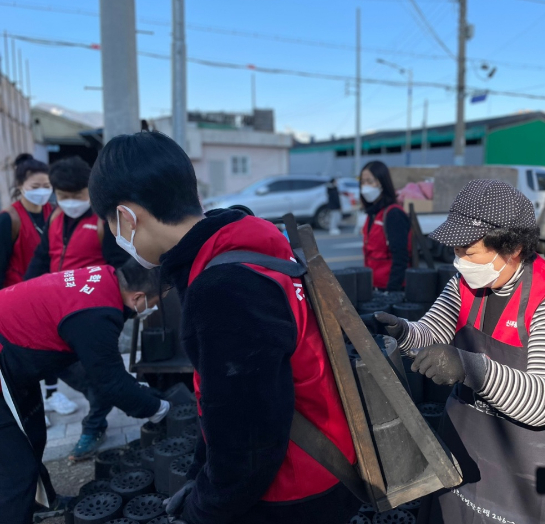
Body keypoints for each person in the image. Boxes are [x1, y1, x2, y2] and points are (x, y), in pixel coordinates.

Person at [89, 131, 359, 524]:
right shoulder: (246, 245)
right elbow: (228, 403)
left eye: (112, 223)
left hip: (294, 488)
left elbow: (250, 439)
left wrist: (205, 508)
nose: (115, 236)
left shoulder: (224, 287)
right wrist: (200, 475)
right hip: (323, 457)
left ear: (128, 216)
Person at [374, 180, 545, 524]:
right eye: (456, 252)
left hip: (541, 459)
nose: (460, 262)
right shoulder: (466, 283)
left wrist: (471, 368)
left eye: (469, 252)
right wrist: (405, 332)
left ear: (512, 249)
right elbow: (433, 332)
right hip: (474, 444)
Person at [0, 258, 171, 524]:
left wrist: (138, 390)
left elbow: (103, 369)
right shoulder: (97, 314)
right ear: (138, 297)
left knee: (33, 436)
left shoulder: (104, 277)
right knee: (15, 469)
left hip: (15, 354)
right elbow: (110, 382)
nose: (156, 306)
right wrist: (159, 410)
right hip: (3, 359)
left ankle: (41, 504)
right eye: (158, 300)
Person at [25, 156, 131, 460]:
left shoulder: (104, 221)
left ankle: (94, 425)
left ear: (90, 189)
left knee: (101, 373)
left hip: (91, 315)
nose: (71, 202)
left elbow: (119, 268)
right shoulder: (55, 219)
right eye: (64, 196)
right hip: (55, 314)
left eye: (78, 195)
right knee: (73, 371)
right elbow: (41, 259)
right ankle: (105, 399)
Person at [0, 154, 53, 288]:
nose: (41, 192)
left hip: (46, 289)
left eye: (46, 186)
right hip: (16, 291)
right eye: (35, 187)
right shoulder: (9, 219)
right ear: (20, 185)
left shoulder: (53, 213)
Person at [360, 161, 410, 292]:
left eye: (370, 181)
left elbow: (401, 257)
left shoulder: (393, 214)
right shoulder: (372, 214)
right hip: (374, 285)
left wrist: (392, 290)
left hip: (390, 288)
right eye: (363, 182)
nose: (365, 186)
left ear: (382, 183)